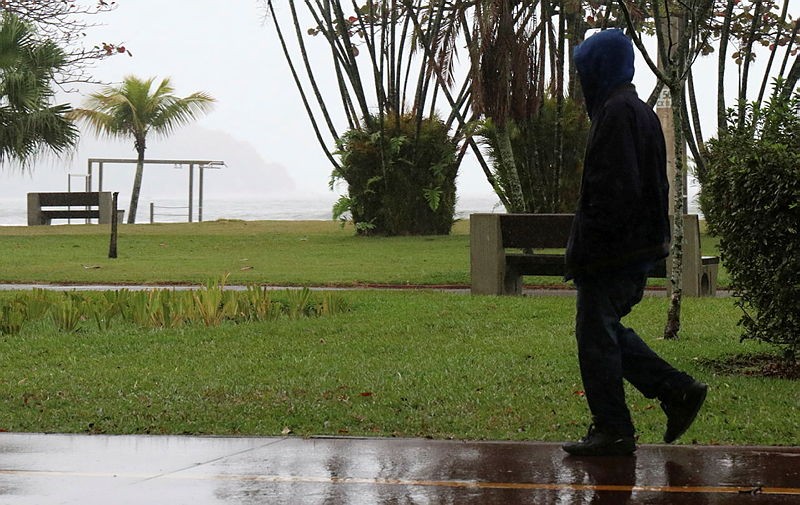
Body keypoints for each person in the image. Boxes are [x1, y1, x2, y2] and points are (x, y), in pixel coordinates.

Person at [562, 29, 708, 457]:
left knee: (595, 337)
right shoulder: (635, 110)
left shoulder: (617, 113)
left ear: (600, 69)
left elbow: (613, 191)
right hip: (631, 250)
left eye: (585, 70)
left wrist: (590, 252)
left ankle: (614, 428)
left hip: (613, 254)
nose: (582, 80)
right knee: (604, 333)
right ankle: (676, 391)